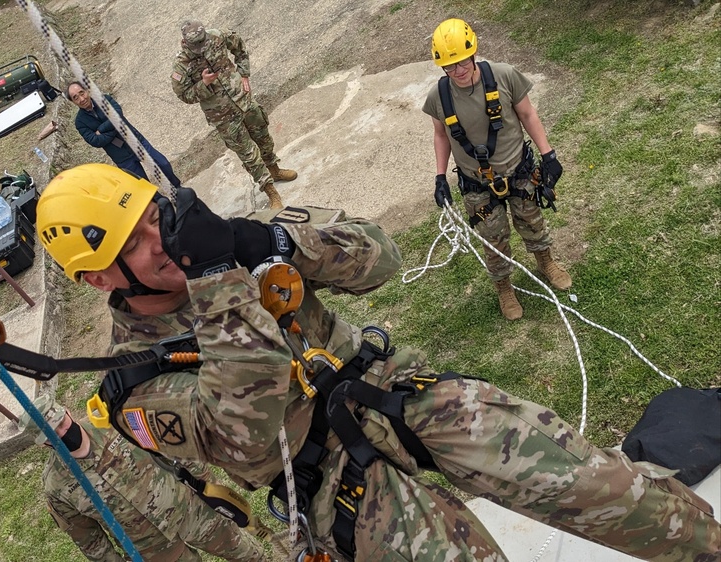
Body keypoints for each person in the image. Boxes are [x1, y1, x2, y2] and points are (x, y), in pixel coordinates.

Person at [35, 163, 721, 562]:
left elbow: (379, 258)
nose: (163, 242)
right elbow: (247, 437)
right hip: (331, 482)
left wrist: (274, 240)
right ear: (100, 279)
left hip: (388, 389)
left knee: (599, 487)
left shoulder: (225, 245)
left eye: (156, 216)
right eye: (136, 241)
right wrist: (218, 284)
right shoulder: (132, 390)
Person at [422, 18, 572, 321]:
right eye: (450, 67)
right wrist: (440, 177)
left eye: (462, 63)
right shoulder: (439, 97)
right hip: (477, 184)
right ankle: (504, 287)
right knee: (493, 239)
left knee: (532, 221)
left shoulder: (505, 76)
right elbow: (441, 135)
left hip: (518, 171)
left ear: (473, 54)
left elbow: (528, 114)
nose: (458, 71)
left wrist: (549, 154)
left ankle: (546, 261)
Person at [21, 393, 265, 562]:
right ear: (44, 445)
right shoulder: (56, 486)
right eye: (53, 434)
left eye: (62, 422)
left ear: (68, 412)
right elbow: (88, 537)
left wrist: (208, 486)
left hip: (191, 510)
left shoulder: (113, 421)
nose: (64, 432)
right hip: (151, 550)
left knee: (244, 553)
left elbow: (172, 447)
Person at [171, 19, 296, 210]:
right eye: (196, 46)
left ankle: (275, 170)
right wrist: (203, 84)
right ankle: (272, 193)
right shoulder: (181, 65)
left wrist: (244, 73)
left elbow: (239, 47)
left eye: (203, 43)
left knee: (263, 137)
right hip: (222, 116)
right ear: (185, 43)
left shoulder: (217, 36)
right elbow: (184, 95)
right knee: (248, 154)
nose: (201, 48)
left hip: (243, 100)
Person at [67, 81, 183, 188]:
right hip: (121, 157)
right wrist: (116, 126)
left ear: (87, 90)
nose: (82, 99)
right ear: (73, 102)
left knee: (162, 164)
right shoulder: (80, 122)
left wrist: (101, 130)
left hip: (136, 142)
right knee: (142, 186)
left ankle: (178, 190)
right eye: (76, 98)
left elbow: (117, 114)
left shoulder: (104, 99)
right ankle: (161, 206)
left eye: (82, 93)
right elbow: (95, 141)